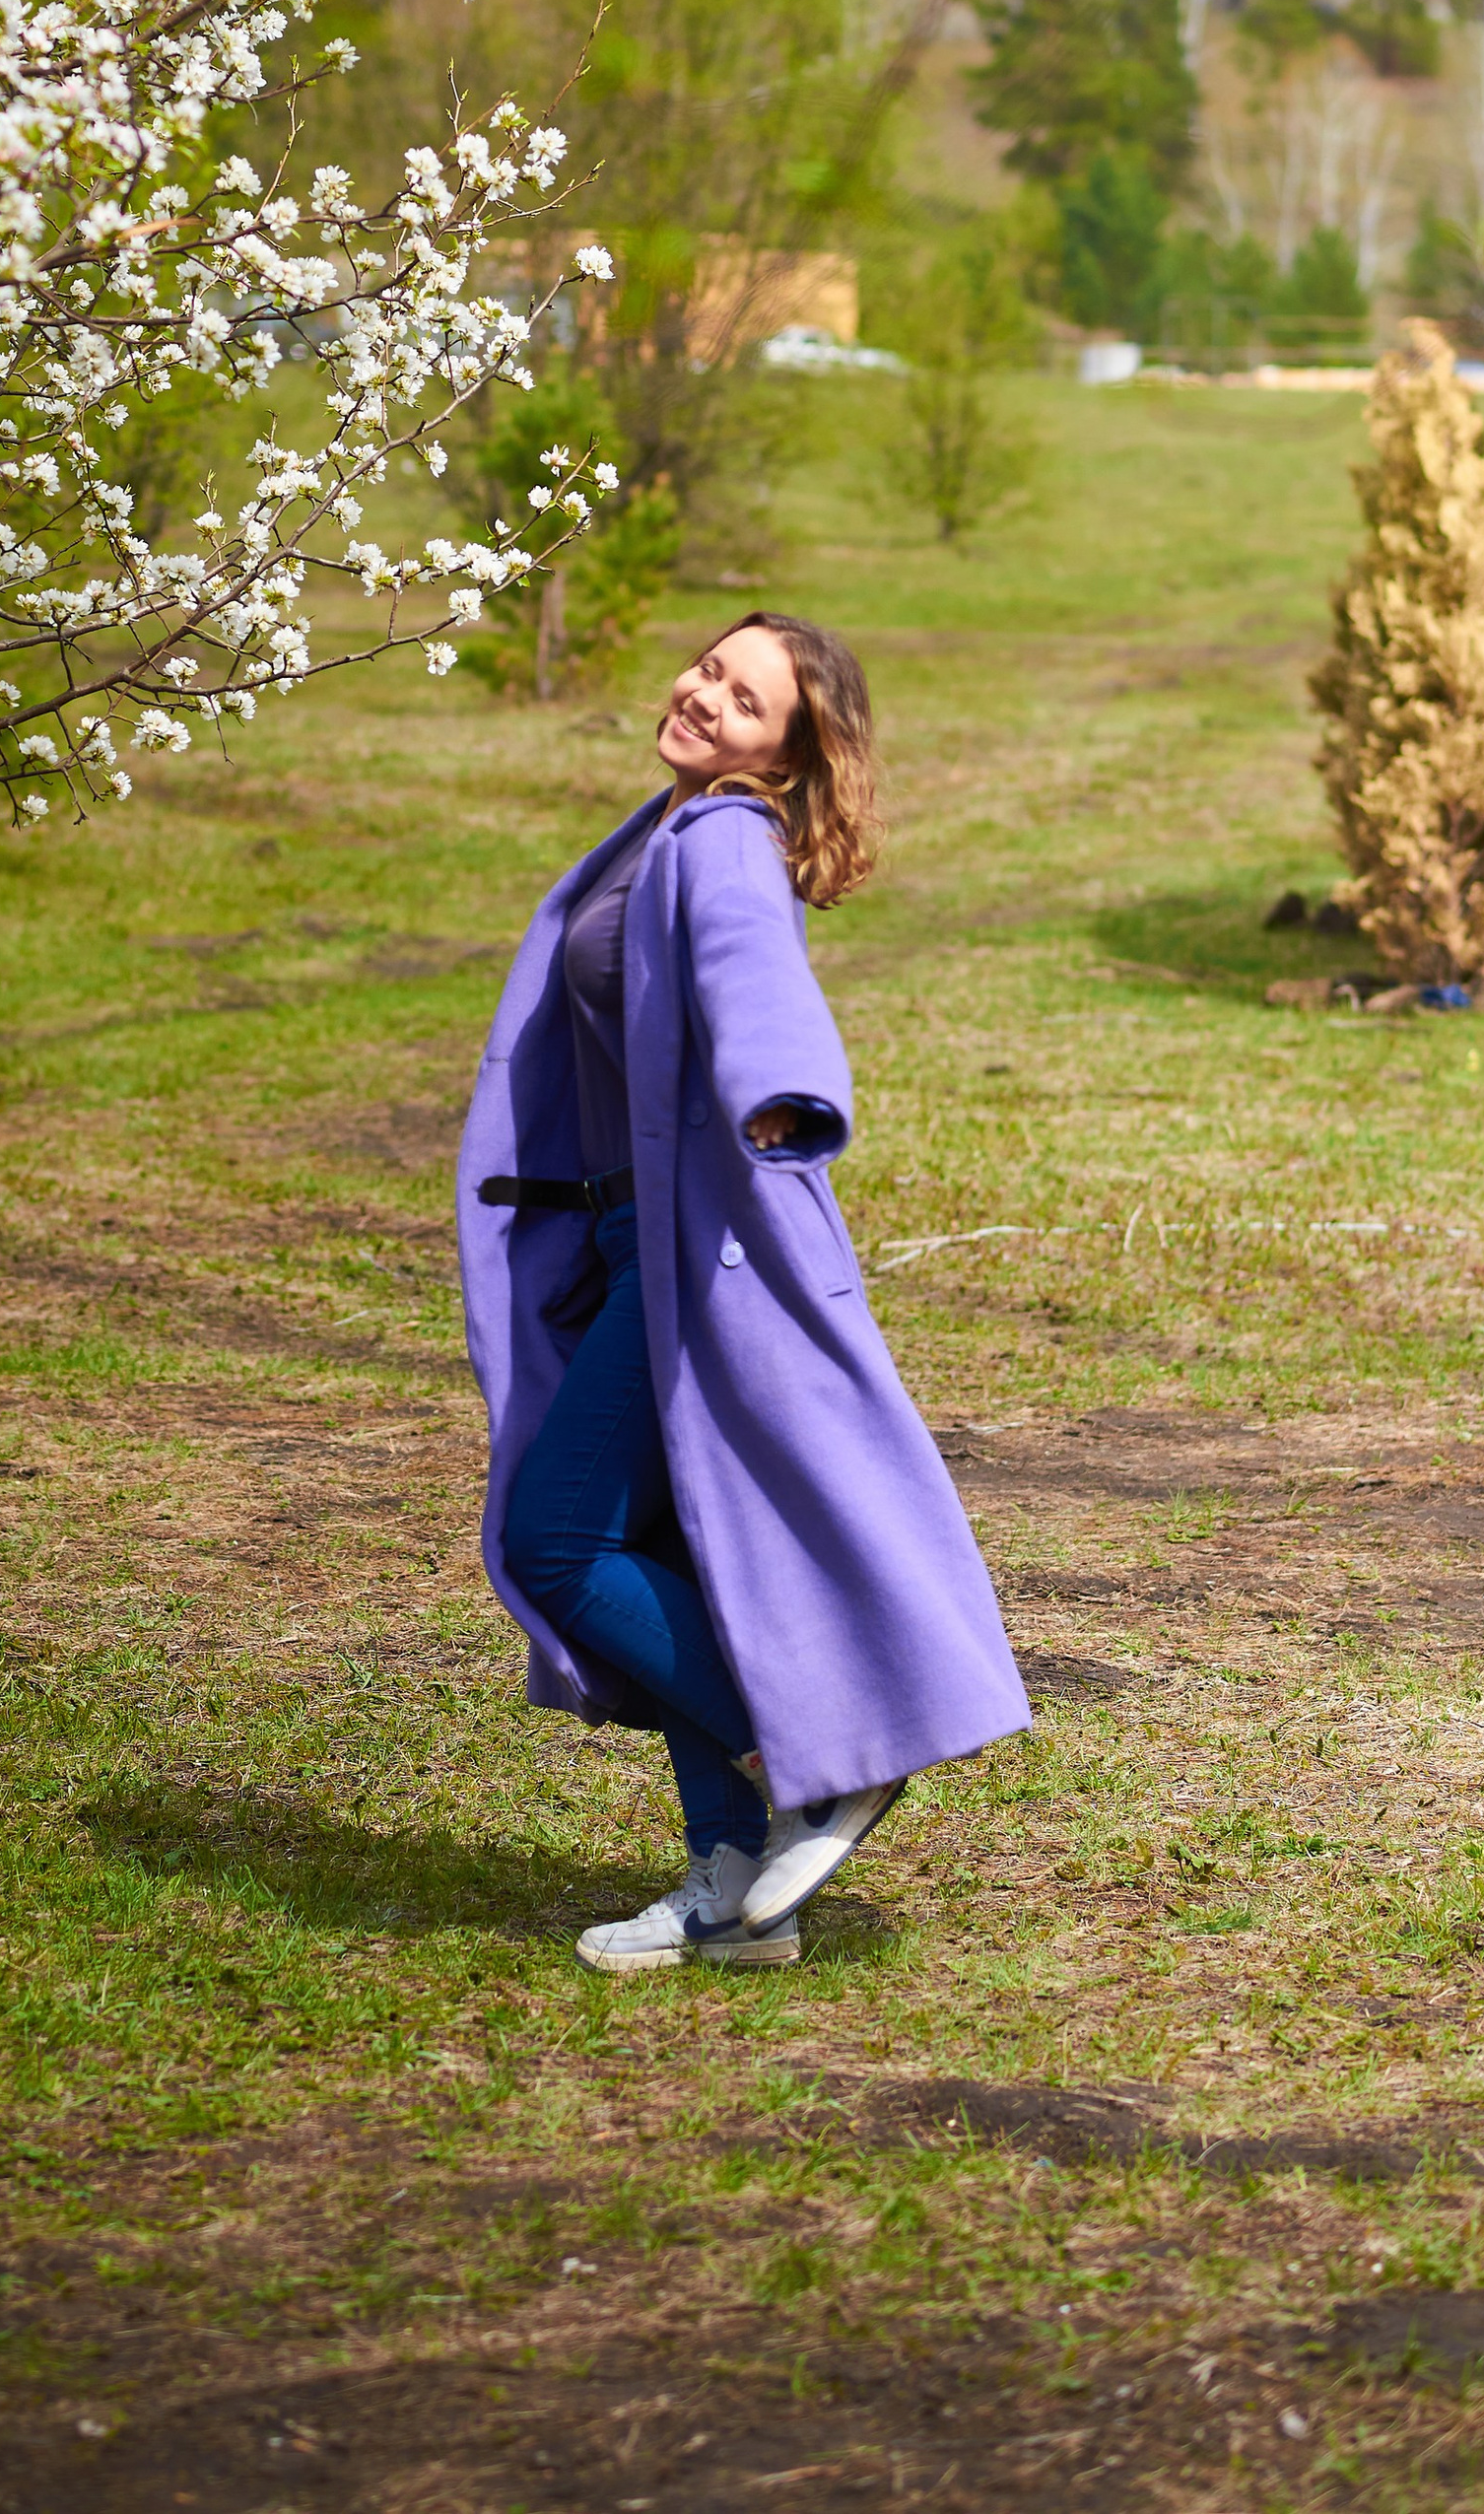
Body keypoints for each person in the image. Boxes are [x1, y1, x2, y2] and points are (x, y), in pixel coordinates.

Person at [455, 611, 1029, 1972]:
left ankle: (814, 1760)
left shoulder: (721, 837)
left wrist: (782, 1088)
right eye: (711, 669)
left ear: (786, 756)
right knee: (679, 1545)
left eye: (747, 698)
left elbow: (746, 966)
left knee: (556, 1542)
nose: (707, 697)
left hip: (693, 1250)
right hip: (624, 1243)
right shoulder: (656, 831)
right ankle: (729, 1878)